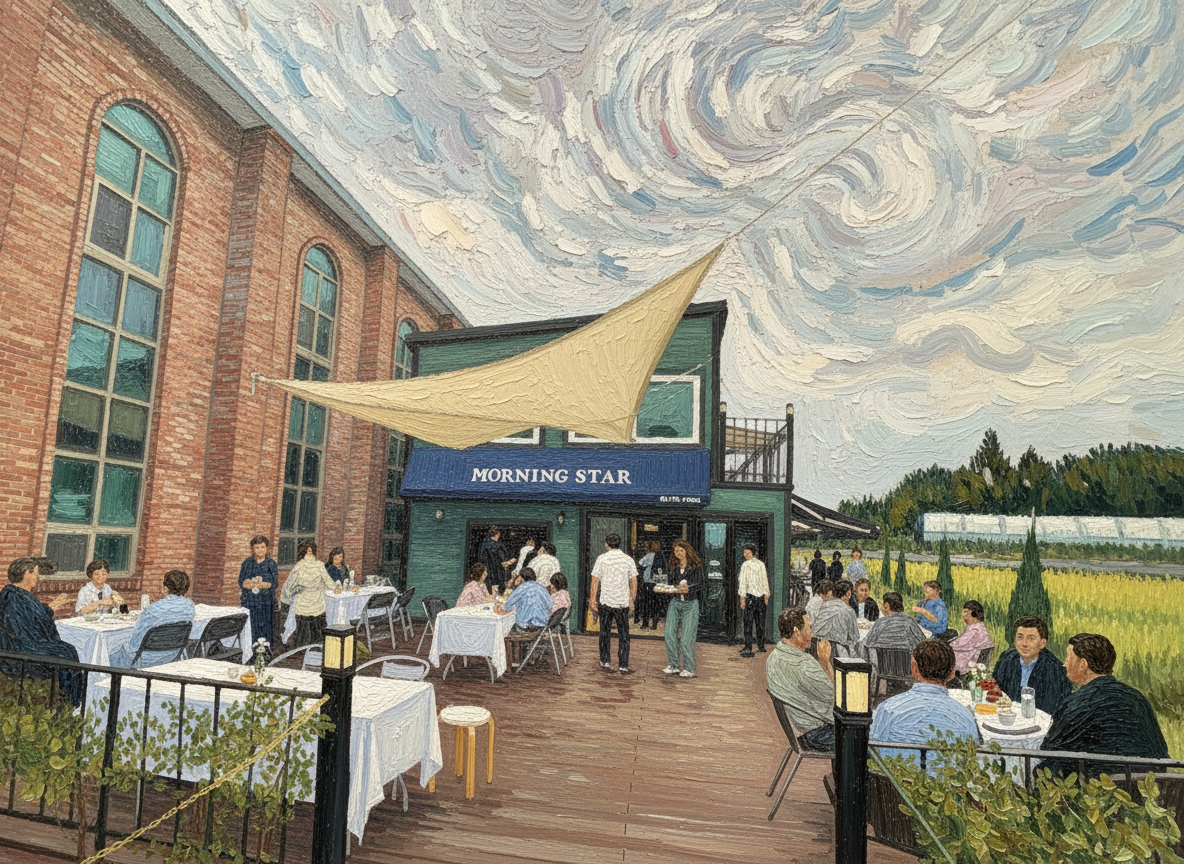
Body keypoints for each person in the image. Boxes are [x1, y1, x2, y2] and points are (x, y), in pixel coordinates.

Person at [1038, 633, 1168, 778]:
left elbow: (1049, 748)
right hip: (1149, 783)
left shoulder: (1077, 703)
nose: (1064, 664)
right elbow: (1160, 751)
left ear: (1083, 665)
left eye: (1068, 658)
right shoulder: (1138, 699)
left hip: (1098, 785)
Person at [869, 640, 980, 773]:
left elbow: (874, 752)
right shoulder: (965, 717)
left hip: (895, 784)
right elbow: (970, 763)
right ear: (952, 672)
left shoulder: (888, 708)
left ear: (913, 668)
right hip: (946, 785)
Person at [0, 557, 82, 704]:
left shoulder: (19, 594)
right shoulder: (12, 598)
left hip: (28, 644)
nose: (38, 576)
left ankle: (72, 700)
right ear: (27, 573)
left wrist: (56, 603)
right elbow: (21, 632)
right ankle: (70, 702)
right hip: (19, 650)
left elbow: (38, 615)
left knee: (68, 650)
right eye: (36, 572)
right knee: (66, 653)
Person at [766, 607, 835, 751]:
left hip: (799, 732)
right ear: (797, 632)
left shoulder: (774, 657)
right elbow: (833, 696)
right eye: (809, 628)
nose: (811, 633)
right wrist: (826, 662)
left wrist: (822, 662)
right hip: (816, 735)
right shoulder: (804, 663)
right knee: (864, 740)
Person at [110, 569, 195, 668]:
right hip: (172, 656)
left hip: (144, 659)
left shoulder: (153, 609)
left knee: (108, 653)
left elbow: (135, 643)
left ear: (165, 588)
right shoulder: (190, 606)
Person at [992, 615, 1071, 715]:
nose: (1024, 643)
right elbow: (994, 693)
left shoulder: (1055, 670)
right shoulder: (1006, 658)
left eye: (1031, 639)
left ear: (1042, 643)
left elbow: (1051, 711)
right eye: (1020, 637)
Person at [590, 534, 637, 674]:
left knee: (604, 632)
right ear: (619, 543)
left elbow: (595, 580)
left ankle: (605, 661)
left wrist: (592, 599)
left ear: (606, 544)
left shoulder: (601, 559)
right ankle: (623, 664)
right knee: (624, 634)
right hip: (622, 602)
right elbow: (634, 581)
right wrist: (632, 599)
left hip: (606, 601)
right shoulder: (628, 559)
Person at [279, 539, 335, 647]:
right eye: (307, 550)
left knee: (317, 625)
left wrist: (335, 588)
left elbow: (327, 579)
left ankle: (317, 647)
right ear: (303, 551)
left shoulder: (319, 565)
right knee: (303, 627)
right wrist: (292, 590)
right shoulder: (300, 565)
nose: (309, 552)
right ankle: (302, 649)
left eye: (311, 550)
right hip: (303, 601)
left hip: (317, 600)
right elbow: (291, 581)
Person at [663, 539, 702, 678]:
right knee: (669, 634)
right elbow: (671, 584)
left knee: (687, 638)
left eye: (681, 550)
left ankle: (689, 668)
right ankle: (674, 665)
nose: (678, 553)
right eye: (676, 551)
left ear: (687, 551)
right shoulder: (674, 568)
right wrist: (669, 588)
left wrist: (688, 588)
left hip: (690, 604)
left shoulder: (695, 567)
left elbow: (699, 585)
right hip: (675, 603)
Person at [238, 535, 277, 644]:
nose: (260, 550)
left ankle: (265, 649)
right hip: (250, 601)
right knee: (250, 625)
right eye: (257, 547)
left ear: (267, 548)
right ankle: (249, 649)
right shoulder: (247, 563)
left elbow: (273, 584)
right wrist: (255, 584)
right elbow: (242, 582)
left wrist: (258, 584)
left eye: (262, 547)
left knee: (265, 627)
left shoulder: (271, 563)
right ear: (252, 549)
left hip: (265, 602)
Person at [864, 592, 929, 651]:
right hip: (907, 659)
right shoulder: (909, 621)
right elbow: (925, 643)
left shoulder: (880, 623)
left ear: (886, 606)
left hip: (883, 659)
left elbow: (867, 644)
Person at [738, 543, 770, 657]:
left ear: (753, 553)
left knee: (749, 622)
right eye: (745, 553)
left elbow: (743, 583)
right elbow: (765, 581)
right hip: (758, 597)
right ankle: (760, 646)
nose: (746, 555)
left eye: (748, 553)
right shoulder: (760, 564)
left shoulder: (745, 565)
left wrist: (742, 598)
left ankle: (749, 646)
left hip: (751, 597)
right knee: (759, 622)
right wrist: (766, 595)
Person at [949, 600, 994, 674]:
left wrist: (946, 645)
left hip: (972, 661)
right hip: (971, 655)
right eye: (964, 612)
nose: (964, 615)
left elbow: (961, 644)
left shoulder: (975, 630)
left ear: (974, 613)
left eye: (966, 612)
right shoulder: (976, 627)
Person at [812, 578, 858, 647]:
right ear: (848, 594)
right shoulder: (849, 611)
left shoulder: (821, 606)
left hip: (816, 646)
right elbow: (855, 639)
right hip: (837, 649)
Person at [478, 527, 515, 594]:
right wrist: (512, 561)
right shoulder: (499, 546)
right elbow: (503, 562)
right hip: (497, 573)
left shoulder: (484, 544)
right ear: (497, 534)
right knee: (498, 592)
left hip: (486, 573)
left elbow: (480, 558)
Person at [636, 540, 660, 628]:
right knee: (655, 603)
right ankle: (654, 623)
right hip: (658, 581)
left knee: (646, 602)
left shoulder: (649, 555)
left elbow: (640, 563)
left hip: (648, 581)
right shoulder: (660, 556)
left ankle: (645, 623)